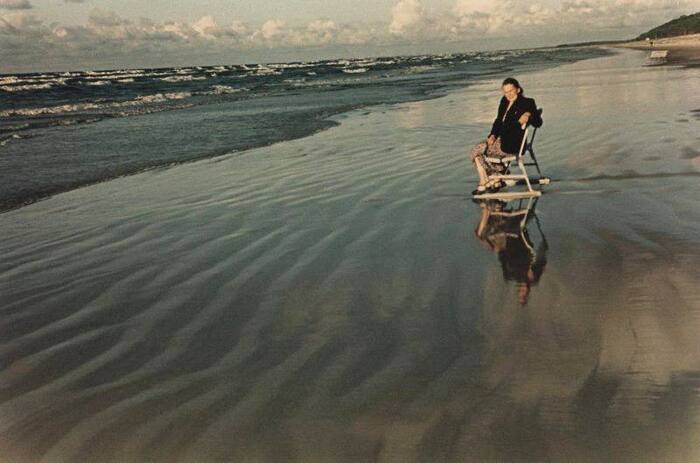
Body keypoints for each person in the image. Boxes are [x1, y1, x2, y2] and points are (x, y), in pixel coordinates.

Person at [470, 77, 542, 195]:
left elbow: (538, 123)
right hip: (501, 140)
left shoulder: (527, 102)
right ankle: (496, 178)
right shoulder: (504, 101)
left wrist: (529, 114)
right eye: (506, 92)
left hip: (514, 144)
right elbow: (498, 121)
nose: (508, 94)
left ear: (518, 90)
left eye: (511, 91)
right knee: (478, 150)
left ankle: (487, 181)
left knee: (477, 151)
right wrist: (493, 135)